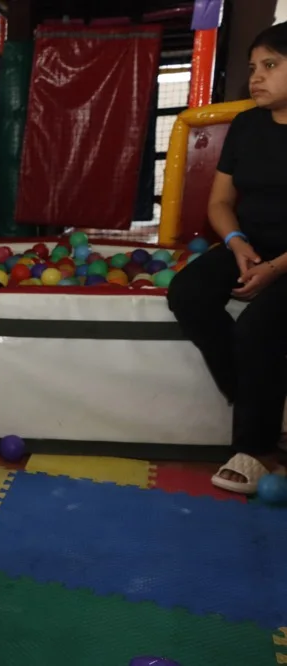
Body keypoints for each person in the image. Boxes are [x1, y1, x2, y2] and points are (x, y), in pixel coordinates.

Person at [167, 22, 287, 495]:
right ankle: (261, 404)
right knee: (188, 292)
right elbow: (219, 202)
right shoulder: (247, 125)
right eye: (253, 67)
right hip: (251, 244)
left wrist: (273, 269)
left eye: (270, 65)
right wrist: (237, 243)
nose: (256, 76)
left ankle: (258, 449)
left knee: (256, 327)